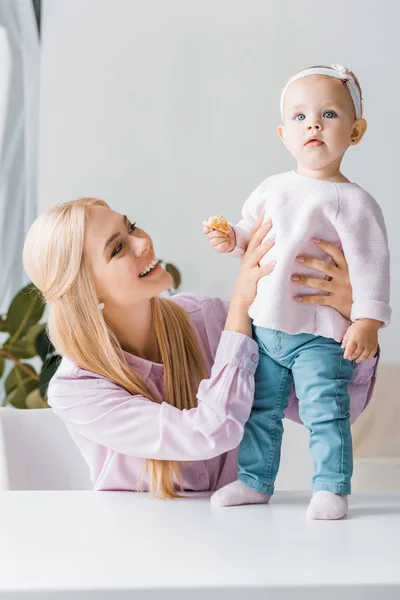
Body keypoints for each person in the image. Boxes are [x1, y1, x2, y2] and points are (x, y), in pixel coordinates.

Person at [23, 198, 377, 502]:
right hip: (132, 547)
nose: (142, 243)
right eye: (117, 248)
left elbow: (333, 407)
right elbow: (209, 432)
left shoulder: (209, 319)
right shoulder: (76, 388)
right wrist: (242, 302)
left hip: (234, 535)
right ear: (87, 290)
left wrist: (352, 320)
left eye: (131, 227)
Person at [204, 64, 390, 519]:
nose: (314, 125)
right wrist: (233, 240)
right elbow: (256, 236)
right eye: (301, 117)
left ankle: (330, 485)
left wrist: (367, 320)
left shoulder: (355, 202)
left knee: (326, 410)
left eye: (329, 114)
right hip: (267, 325)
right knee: (259, 409)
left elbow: (371, 266)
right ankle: (253, 480)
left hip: (320, 332)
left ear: (356, 131)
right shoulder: (273, 188)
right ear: (284, 134)